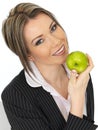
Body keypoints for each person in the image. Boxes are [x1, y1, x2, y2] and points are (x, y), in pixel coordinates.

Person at [1, 2, 98, 130]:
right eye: (39, 41)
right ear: (28, 55)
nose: (56, 41)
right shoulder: (15, 96)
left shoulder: (80, 72)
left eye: (53, 28)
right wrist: (77, 100)